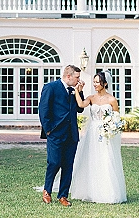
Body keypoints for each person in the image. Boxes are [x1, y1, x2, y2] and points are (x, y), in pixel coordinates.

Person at [71, 71, 127, 203]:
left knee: (106, 159)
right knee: (91, 159)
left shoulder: (112, 99)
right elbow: (81, 105)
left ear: (105, 83)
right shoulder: (91, 98)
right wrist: (77, 91)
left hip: (106, 133)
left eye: (97, 82)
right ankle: (90, 190)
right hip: (93, 132)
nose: (95, 84)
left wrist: (111, 127)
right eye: (94, 82)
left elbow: (116, 118)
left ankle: (108, 192)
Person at [38, 64, 85, 207]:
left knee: (68, 166)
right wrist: (49, 131)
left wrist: (80, 92)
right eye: (77, 77)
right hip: (55, 133)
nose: (79, 80)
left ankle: (63, 195)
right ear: (68, 76)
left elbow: (79, 109)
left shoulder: (74, 89)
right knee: (54, 162)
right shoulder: (51, 87)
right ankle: (47, 191)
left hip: (71, 134)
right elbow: (43, 110)